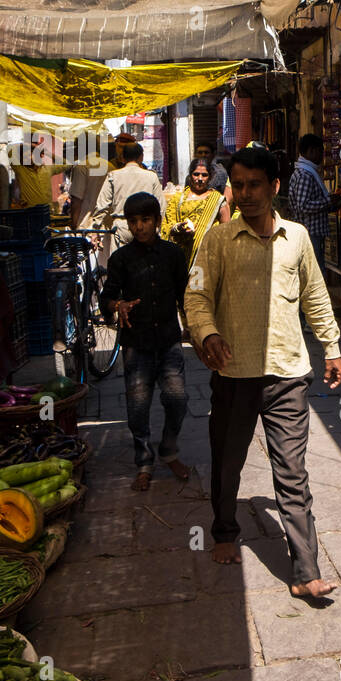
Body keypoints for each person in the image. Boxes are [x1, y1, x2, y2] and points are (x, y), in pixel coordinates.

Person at [183, 144, 341, 599]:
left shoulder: (297, 238)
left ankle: (306, 568)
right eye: (238, 185)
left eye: (255, 185)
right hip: (233, 374)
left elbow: (315, 294)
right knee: (228, 462)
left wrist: (331, 345)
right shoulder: (217, 241)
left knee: (292, 472)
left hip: (288, 373)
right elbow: (194, 296)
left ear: (275, 187)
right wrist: (207, 332)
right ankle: (223, 531)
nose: (246, 193)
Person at [100, 193, 192, 493]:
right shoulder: (120, 259)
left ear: (157, 221)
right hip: (136, 344)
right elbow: (107, 297)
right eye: (133, 221)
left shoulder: (174, 255)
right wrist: (118, 305)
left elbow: (186, 296)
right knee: (138, 406)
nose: (139, 227)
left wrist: (194, 328)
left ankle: (168, 448)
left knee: (177, 399)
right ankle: (144, 461)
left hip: (168, 340)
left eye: (145, 220)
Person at [93, 141, 166, 248]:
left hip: (121, 227)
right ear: (141, 157)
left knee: (121, 262)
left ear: (122, 157)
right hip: (146, 227)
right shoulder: (151, 177)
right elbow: (161, 206)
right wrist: (157, 228)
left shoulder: (113, 176)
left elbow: (102, 206)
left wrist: (96, 230)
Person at [161, 159, 229, 270]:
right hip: (180, 259)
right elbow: (166, 226)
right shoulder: (177, 199)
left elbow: (226, 233)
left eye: (204, 175)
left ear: (210, 177)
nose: (200, 179)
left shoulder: (218, 200)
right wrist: (178, 228)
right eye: (196, 174)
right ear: (190, 175)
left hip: (207, 259)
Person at [287, 134, 331, 275]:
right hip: (310, 233)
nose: (321, 155)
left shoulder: (305, 172)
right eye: (320, 151)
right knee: (314, 272)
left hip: (312, 232)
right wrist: (328, 201)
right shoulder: (305, 175)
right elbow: (303, 206)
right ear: (311, 151)